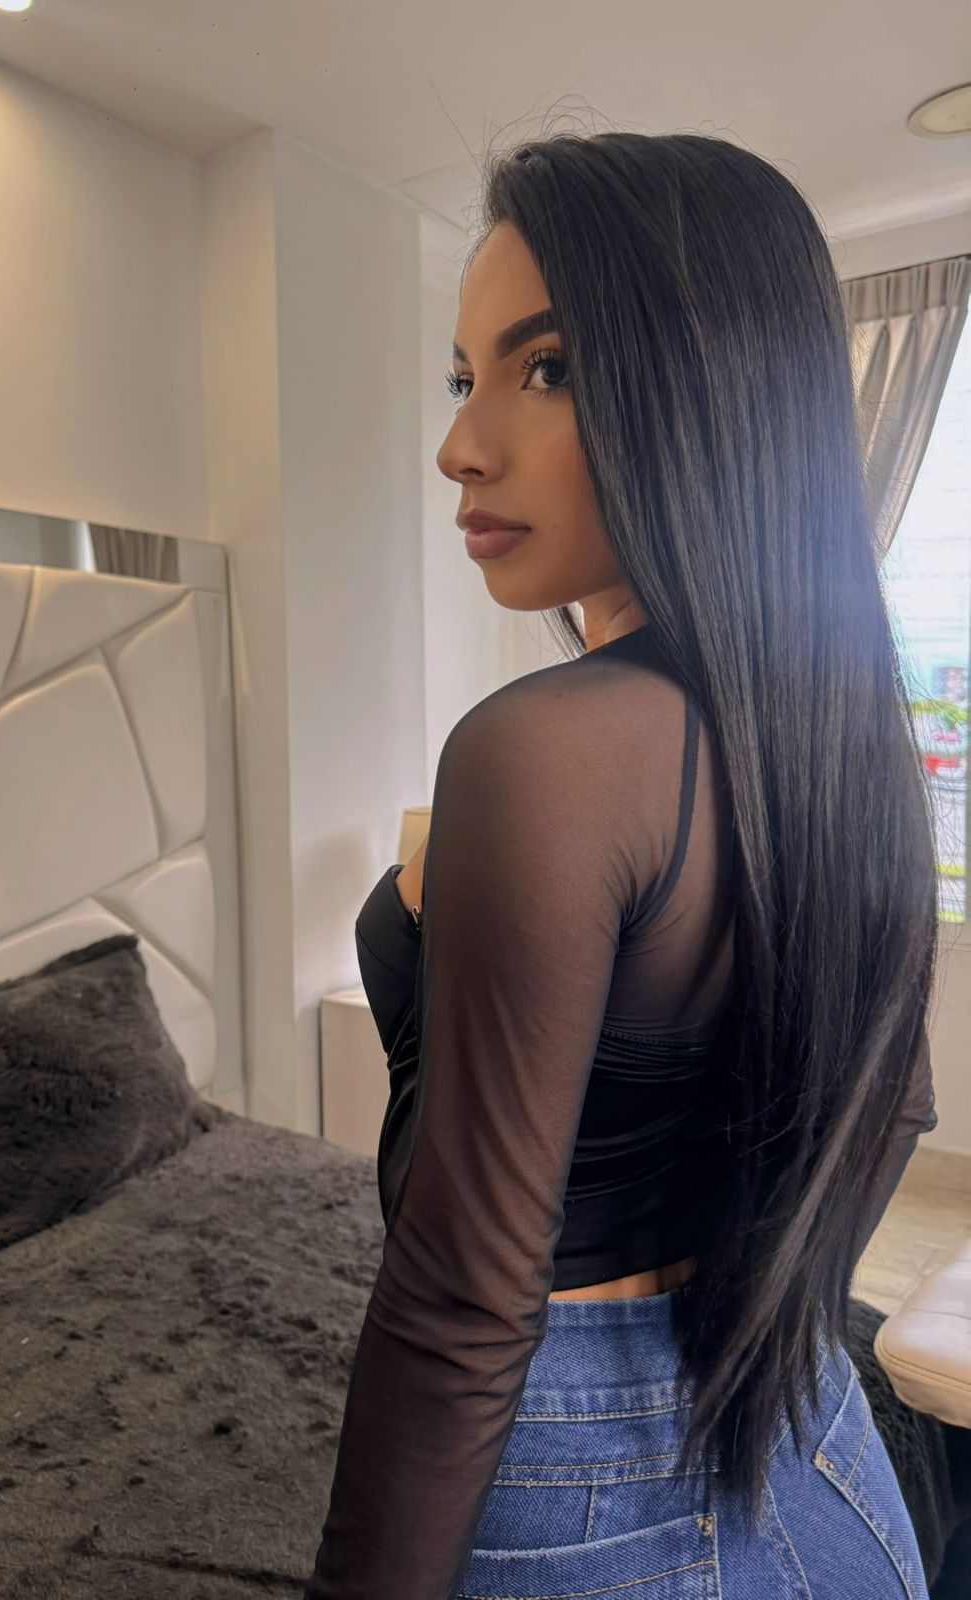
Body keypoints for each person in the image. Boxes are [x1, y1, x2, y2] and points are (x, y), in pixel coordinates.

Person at [302, 130, 941, 1599]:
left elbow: (464, 1301)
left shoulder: (545, 749)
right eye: (463, 379)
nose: (463, 446)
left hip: (576, 1475)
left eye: (549, 368)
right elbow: (894, 1102)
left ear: (715, 388)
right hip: (813, 1442)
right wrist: (757, 1319)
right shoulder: (831, 734)